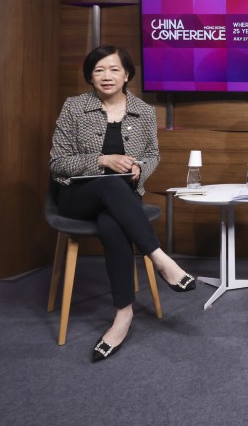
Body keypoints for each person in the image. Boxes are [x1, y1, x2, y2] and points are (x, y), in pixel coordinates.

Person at [50, 45, 196, 362]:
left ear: (126, 74)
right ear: (90, 75)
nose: (106, 76)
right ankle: (160, 259)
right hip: (77, 196)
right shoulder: (74, 107)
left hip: (119, 200)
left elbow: (153, 155)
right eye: (99, 69)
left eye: (114, 69)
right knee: (109, 183)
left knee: (113, 222)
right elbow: (58, 163)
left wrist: (139, 168)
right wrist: (102, 159)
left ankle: (123, 315)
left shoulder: (143, 111)